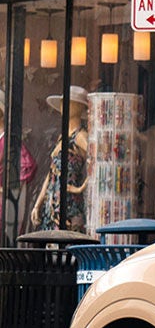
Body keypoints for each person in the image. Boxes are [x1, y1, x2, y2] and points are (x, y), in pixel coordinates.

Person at [31, 85, 89, 232]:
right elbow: (52, 172)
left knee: (65, 240)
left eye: (67, 102)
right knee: (51, 240)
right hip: (53, 202)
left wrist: (81, 187)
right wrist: (38, 204)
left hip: (68, 204)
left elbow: (100, 161)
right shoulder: (62, 137)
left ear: (78, 107)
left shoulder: (80, 136)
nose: (63, 105)